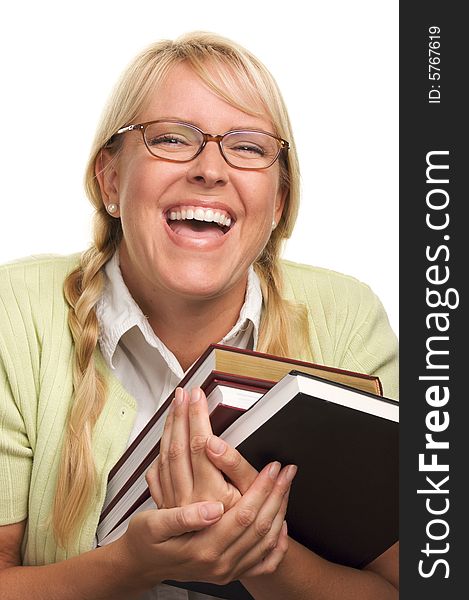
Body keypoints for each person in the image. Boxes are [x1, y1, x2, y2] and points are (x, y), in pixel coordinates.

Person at [0, 31, 399, 599]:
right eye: (171, 138)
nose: (210, 169)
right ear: (110, 180)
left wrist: (262, 559)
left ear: (278, 200)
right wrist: (130, 563)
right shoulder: (13, 311)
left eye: (248, 146)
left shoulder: (347, 318)